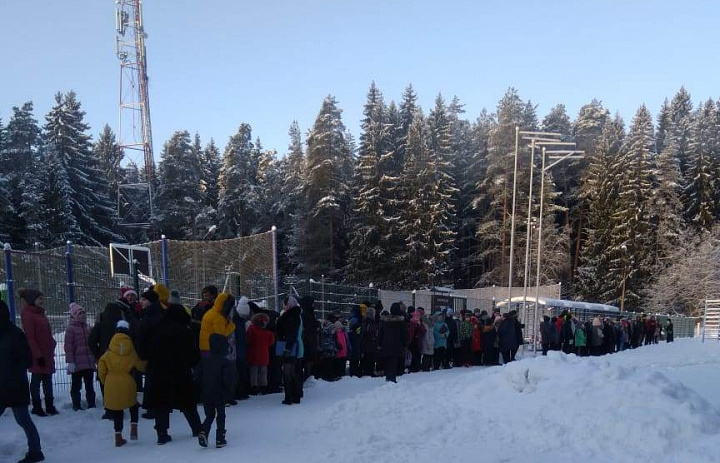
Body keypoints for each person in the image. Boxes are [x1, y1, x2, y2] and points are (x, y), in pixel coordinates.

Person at [142, 302, 202, 445]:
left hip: (157, 371)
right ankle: (197, 428)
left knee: (161, 404)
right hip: (180, 371)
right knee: (187, 401)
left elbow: (144, 350)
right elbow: (193, 355)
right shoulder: (185, 331)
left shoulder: (155, 329)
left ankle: (162, 434)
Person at [0, 299, 44, 463]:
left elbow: (26, 360)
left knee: (23, 419)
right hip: (3, 385)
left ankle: (36, 451)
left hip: (15, 385)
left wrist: (9, 369)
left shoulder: (15, 334)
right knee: (23, 419)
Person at [97, 320, 146, 447]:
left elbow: (101, 369)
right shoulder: (132, 351)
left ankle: (118, 437)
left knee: (117, 411)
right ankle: (134, 428)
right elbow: (141, 367)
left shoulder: (108, 353)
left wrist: (105, 381)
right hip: (127, 381)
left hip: (111, 382)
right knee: (133, 405)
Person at [19, 289, 58, 417]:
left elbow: (46, 332)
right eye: (39, 299)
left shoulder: (40, 314)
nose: (42, 301)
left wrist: (52, 343)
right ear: (32, 300)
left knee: (48, 380)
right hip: (38, 355)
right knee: (36, 382)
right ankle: (36, 406)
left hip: (46, 352)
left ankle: (50, 406)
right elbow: (30, 338)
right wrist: (38, 355)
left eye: (43, 299)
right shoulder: (29, 315)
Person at [195, 334, 238, 449]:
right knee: (221, 415)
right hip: (220, 393)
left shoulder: (204, 360)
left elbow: (196, 375)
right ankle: (220, 437)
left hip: (206, 392)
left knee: (209, 415)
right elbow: (228, 379)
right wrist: (230, 390)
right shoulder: (225, 363)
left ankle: (204, 431)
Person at [64, 302, 96, 411]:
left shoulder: (88, 328)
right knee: (76, 386)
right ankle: (76, 405)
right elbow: (68, 347)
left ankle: (92, 404)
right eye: (79, 314)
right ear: (74, 316)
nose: (83, 315)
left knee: (89, 386)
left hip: (88, 363)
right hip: (77, 364)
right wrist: (70, 362)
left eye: (84, 313)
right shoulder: (70, 329)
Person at [276, 296, 304, 405]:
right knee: (295, 372)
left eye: (285, 303)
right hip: (296, 346)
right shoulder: (297, 315)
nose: (284, 306)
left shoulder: (290, 316)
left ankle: (290, 397)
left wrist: (287, 348)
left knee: (288, 373)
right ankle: (296, 395)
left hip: (289, 346)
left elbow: (290, 333)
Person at [246, 312, 275, 395]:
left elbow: (249, 340)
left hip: (253, 354)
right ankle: (264, 387)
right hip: (264, 354)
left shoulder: (251, 329)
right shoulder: (268, 333)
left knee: (254, 372)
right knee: (263, 372)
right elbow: (271, 342)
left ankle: (254, 388)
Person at [378, 303, 407, 383]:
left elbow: (380, 333)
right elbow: (404, 334)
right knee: (394, 361)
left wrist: (379, 344)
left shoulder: (384, 321)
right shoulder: (401, 321)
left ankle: (388, 377)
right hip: (397, 344)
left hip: (386, 344)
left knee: (388, 361)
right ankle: (392, 378)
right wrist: (405, 344)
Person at [300, 296, 320, 380]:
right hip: (307, 342)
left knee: (310, 361)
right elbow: (308, 327)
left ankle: (309, 377)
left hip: (310, 341)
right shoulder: (305, 314)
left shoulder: (309, 313)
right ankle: (307, 378)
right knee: (308, 361)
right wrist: (316, 324)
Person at [361, 306, 380, 377]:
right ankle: (369, 372)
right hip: (371, 344)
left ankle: (366, 371)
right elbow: (373, 333)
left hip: (366, 344)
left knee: (367, 358)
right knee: (370, 359)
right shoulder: (371, 322)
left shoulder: (364, 321)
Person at [407, 308, 425, 373]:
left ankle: (416, 367)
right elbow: (410, 332)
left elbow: (424, 331)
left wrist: (419, 324)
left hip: (418, 341)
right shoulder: (410, 322)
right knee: (413, 355)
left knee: (417, 355)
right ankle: (413, 367)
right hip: (412, 341)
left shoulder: (420, 322)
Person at [348, 305, 363, 377]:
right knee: (356, 355)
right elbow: (357, 329)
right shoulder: (357, 318)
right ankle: (355, 371)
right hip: (356, 337)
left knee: (354, 356)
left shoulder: (351, 318)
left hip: (352, 337)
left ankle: (353, 371)